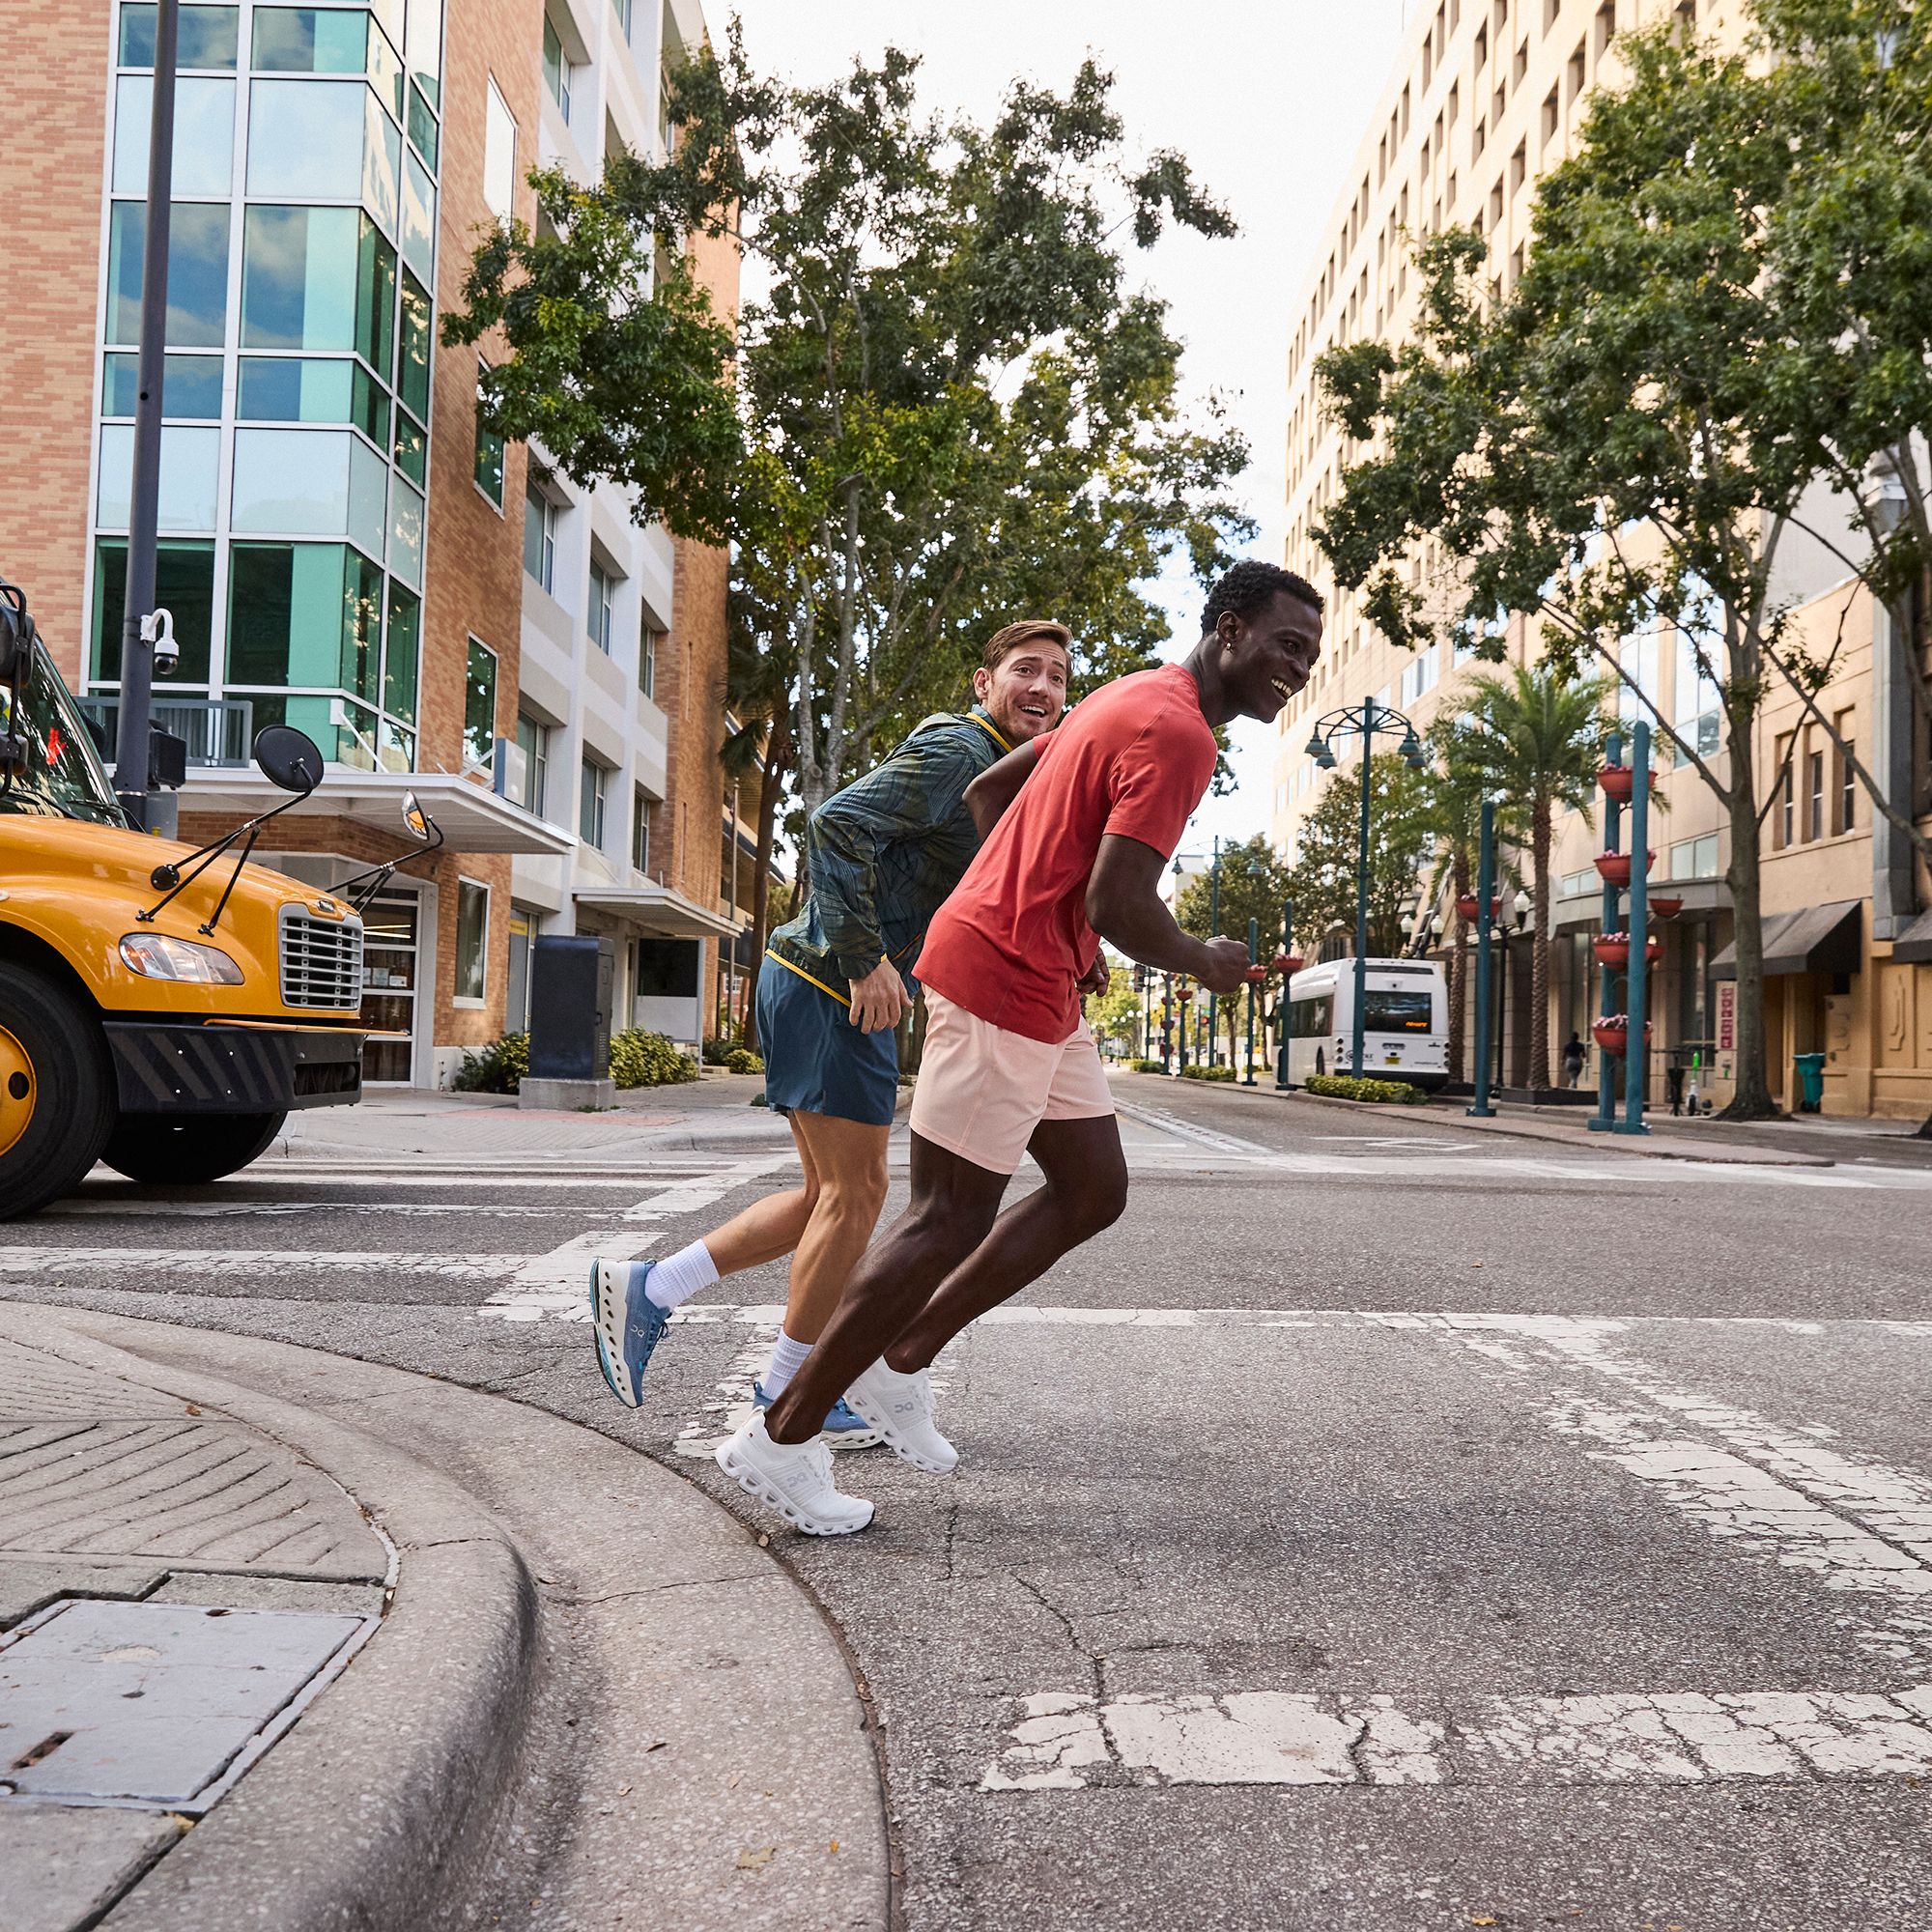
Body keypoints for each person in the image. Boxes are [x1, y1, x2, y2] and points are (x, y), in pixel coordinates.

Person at [712, 560, 1324, 1534]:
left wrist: (1055, 922)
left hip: (1042, 975)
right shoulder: (1176, 733)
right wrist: (1200, 958)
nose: (1296, 669)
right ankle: (778, 1436)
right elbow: (1118, 900)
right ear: (1230, 629)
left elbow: (995, 791)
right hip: (997, 975)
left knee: (1092, 1188)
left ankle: (897, 1362)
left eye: (1308, 656)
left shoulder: (1134, 694)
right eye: (1286, 646)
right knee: (944, 1216)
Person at [587, 622, 1071, 1451]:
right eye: (1025, 670)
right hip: (830, 985)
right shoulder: (962, 753)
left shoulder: (999, 766)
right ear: (983, 683)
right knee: (859, 1197)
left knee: (826, 1197)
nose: (1044, 688)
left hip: (820, 985)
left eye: (1059, 677)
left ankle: (653, 1287)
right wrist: (865, 962)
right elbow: (834, 822)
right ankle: (784, 1391)